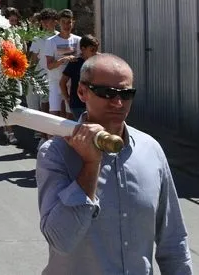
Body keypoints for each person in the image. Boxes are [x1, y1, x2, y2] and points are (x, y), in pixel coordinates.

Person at [36, 54, 192, 274]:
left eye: (126, 94)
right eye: (107, 93)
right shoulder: (56, 153)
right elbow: (61, 240)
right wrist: (91, 164)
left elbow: (173, 240)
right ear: (82, 92)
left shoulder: (150, 150)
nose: (118, 102)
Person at [44, 9, 81, 118]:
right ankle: (51, 135)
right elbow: (49, 66)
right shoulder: (51, 41)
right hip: (56, 82)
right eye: (63, 22)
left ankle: (68, 135)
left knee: (70, 114)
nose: (66, 25)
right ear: (58, 23)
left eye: (69, 22)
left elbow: (81, 59)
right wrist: (63, 60)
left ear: (73, 23)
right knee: (54, 114)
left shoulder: (78, 40)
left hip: (72, 83)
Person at [60, 34, 99, 120]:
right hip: (77, 105)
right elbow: (62, 82)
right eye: (92, 50)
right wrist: (68, 99)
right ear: (83, 49)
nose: (95, 53)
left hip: (93, 104)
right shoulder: (75, 63)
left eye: (96, 50)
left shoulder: (98, 63)